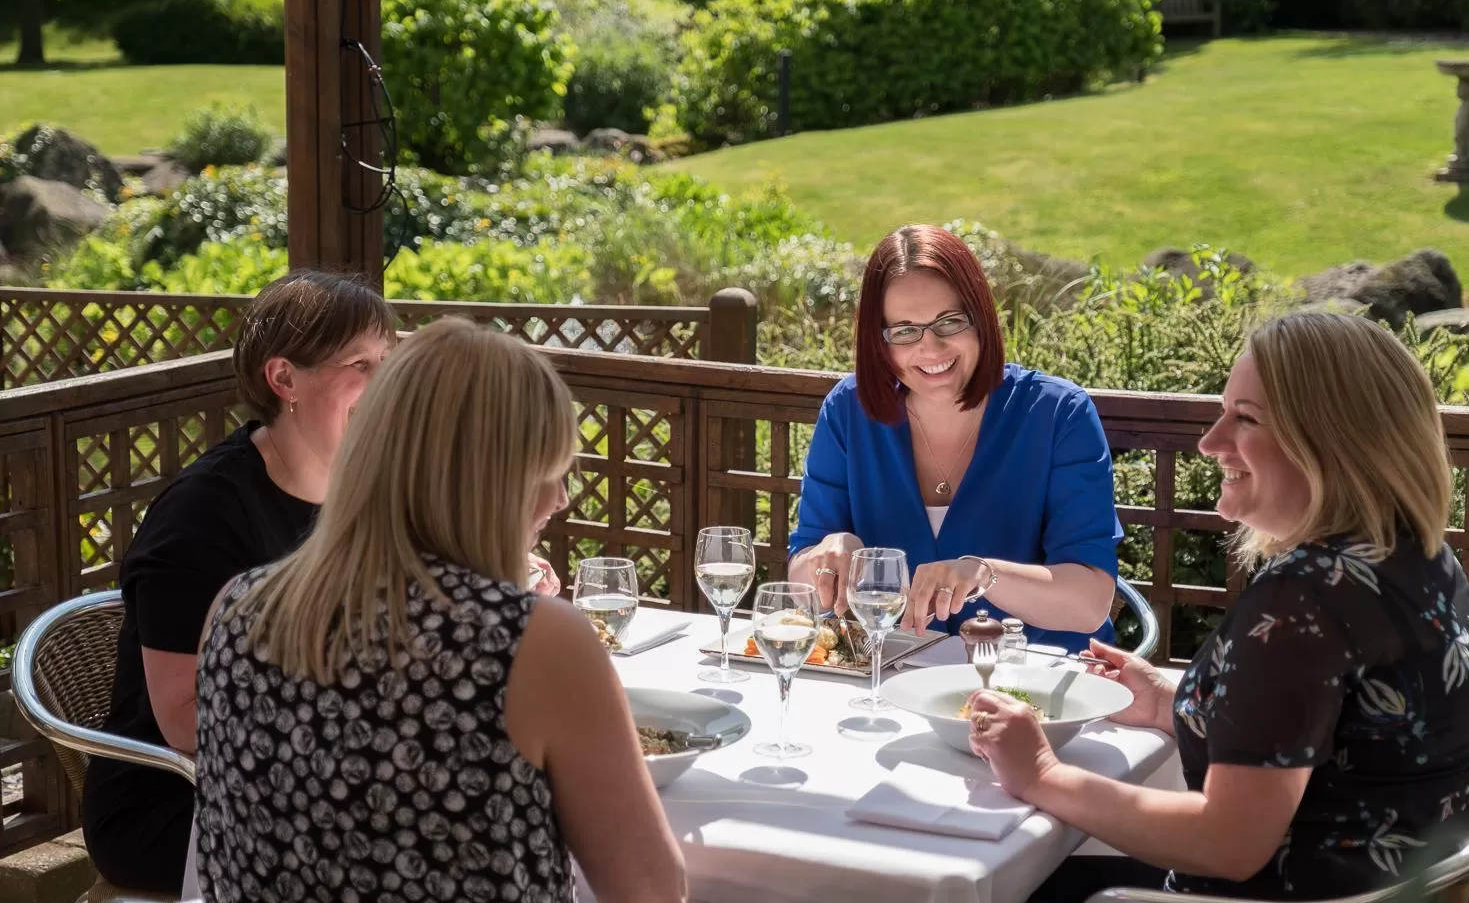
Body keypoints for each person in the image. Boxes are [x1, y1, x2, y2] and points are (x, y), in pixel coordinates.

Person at [967, 311, 1469, 901]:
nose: (1209, 442)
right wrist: (1171, 702)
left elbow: (1228, 843)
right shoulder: (1416, 557)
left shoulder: (1307, 597)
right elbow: (1352, 739)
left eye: (1245, 419)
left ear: (1332, 444)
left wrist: (1041, 772)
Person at [193, 317, 686, 902]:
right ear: (487, 481)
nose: (560, 498)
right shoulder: (533, 642)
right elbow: (650, 890)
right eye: (548, 471)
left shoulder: (234, 608)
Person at [81, 270, 397, 895]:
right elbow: (185, 722)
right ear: (284, 380)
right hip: (175, 800)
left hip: (310, 770)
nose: (384, 387)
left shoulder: (363, 487)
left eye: (388, 362)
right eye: (361, 364)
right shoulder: (202, 516)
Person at [788, 224, 1122, 653]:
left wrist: (985, 573)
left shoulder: (1058, 413)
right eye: (905, 330)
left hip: (1031, 682)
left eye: (950, 321)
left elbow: (1089, 603)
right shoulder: (847, 410)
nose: (931, 348)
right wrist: (827, 555)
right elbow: (799, 576)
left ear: (980, 316)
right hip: (888, 675)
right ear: (880, 341)